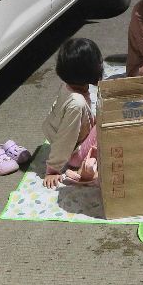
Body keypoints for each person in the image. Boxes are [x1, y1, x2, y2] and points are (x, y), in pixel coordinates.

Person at [41, 37, 104, 189]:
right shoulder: (76, 102)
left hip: (72, 140)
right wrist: (53, 169)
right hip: (75, 154)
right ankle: (86, 169)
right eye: (99, 63)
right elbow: (65, 137)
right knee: (109, 121)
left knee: (102, 117)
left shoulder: (69, 85)